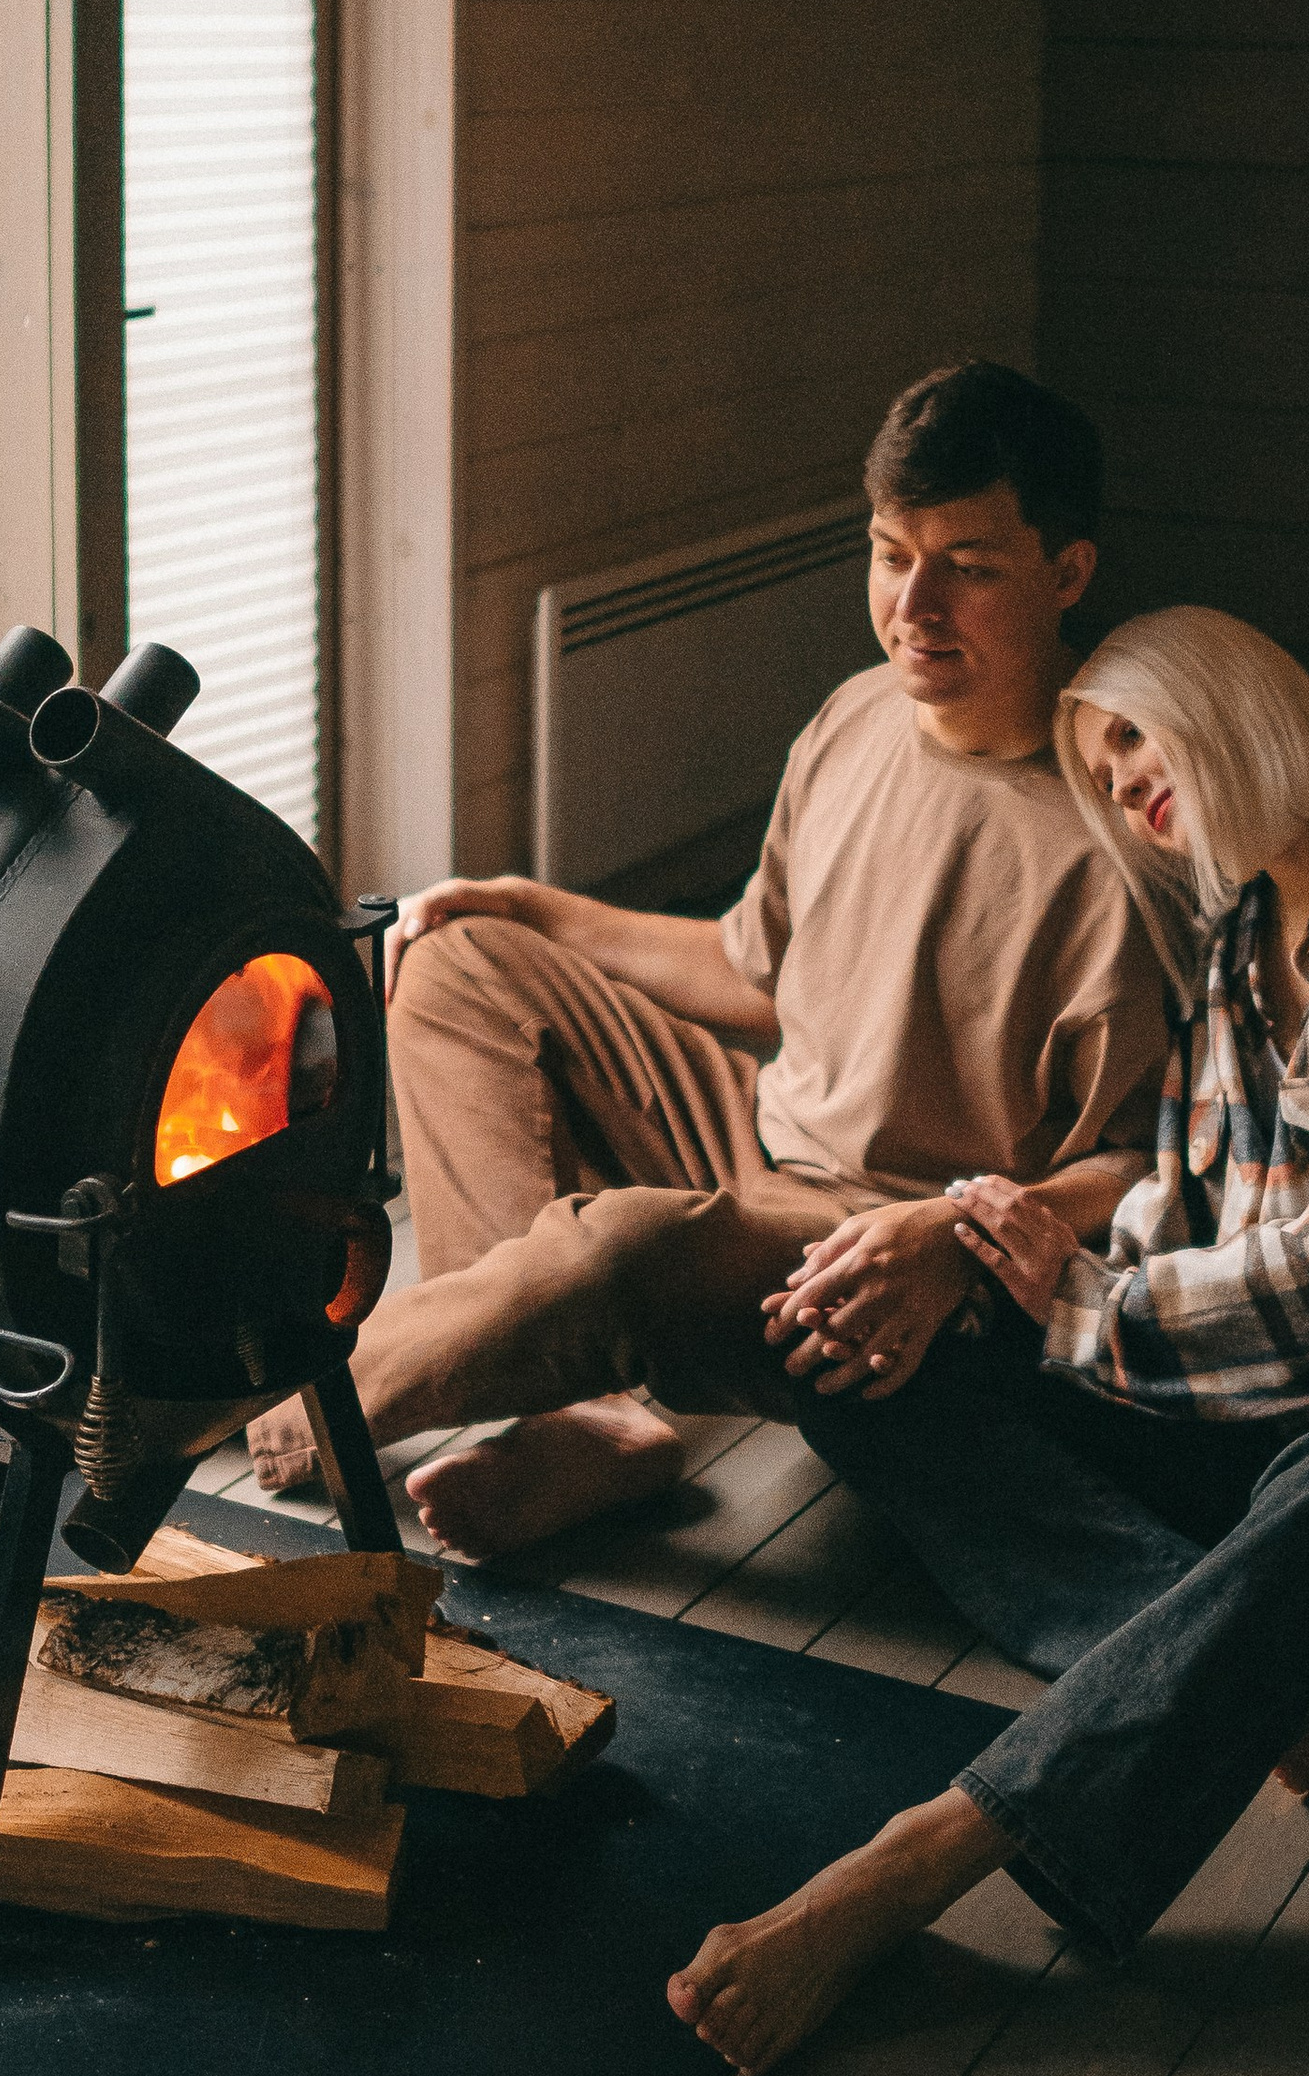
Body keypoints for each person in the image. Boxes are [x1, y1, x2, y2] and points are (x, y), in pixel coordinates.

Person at [670, 603, 1309, 2075]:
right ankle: (1280, 1670)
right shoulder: (1234, 951)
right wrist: (981, 1261)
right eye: (1101, 764)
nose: (1128, 780)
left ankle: (914, 1861)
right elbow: (1184, 1215)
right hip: (1288, 1437)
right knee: (846, 1329)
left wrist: (1087, 1305)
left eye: (1139, 732)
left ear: (1239, 701)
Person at [247, 363, 1172, 1556]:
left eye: (970, 566)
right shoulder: (855, 717)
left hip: (891, 1255)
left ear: (1068, 573)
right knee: (460, 960)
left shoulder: (1123, 826)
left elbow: (1151, 1166)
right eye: (893, 554)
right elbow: (756, 972)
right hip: (761, 1135)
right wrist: (537, 908)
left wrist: (949, 1239)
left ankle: (223, 1402)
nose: (915, 605)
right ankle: (572, 1413)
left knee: (621, 1245)